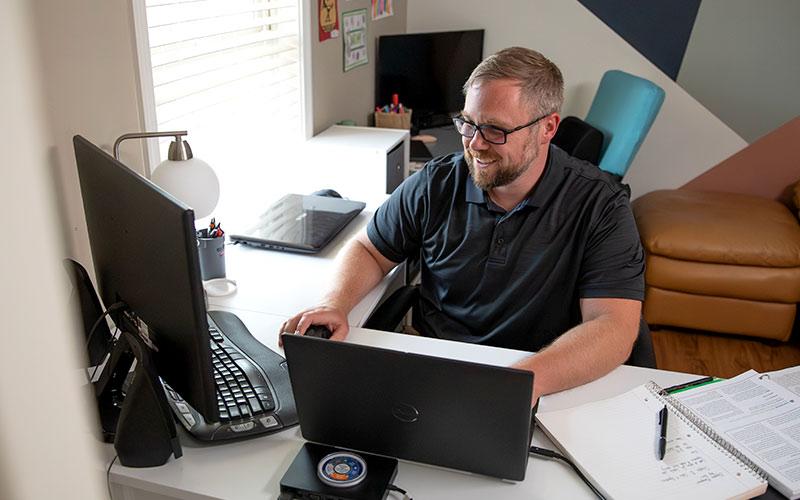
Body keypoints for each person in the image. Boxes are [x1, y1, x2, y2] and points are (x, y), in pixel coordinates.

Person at [281, 47, 644, 404]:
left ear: (548, 127)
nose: (474, 144)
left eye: (495, 130)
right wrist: (335, 303)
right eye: (468, 124)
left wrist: (525, 381)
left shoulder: (601, 205)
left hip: (535, 373)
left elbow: (613, 326)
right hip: (433, 364)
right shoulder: (436, 182)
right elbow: (369, 250)